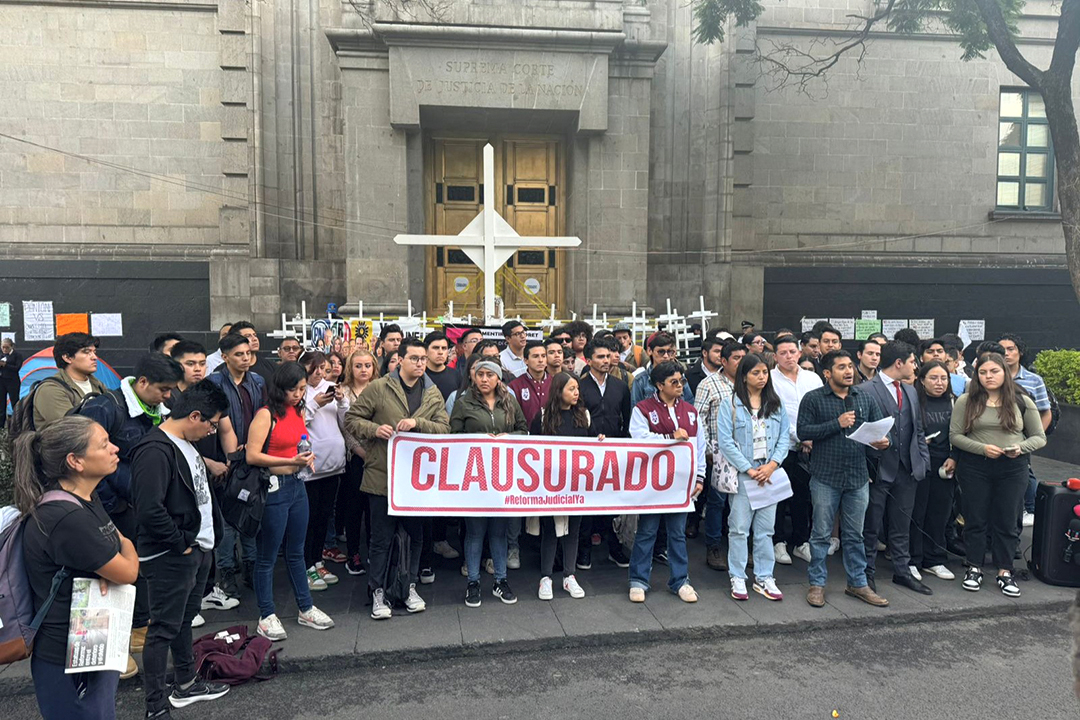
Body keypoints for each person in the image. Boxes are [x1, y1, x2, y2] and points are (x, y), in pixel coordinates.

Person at [16, 416, 140, 720]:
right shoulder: (64, 517)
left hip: (94, 639)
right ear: (75, 461)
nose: (115, 449)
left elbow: (118, 555)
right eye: (103, 445)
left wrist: (116, 557)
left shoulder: (85, 497)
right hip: (67, 653)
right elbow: (128, 572)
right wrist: (124, 551)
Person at [76, 352, 183, 677]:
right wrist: (113, 505)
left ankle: (135, 632)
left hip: (132, 509)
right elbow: (82, 460)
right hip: (102, 510)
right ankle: (102, 649)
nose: (168, 396)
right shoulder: (105, 407)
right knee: (101, 577)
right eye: (163, 389)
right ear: (143, 382)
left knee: (134, 573)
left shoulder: (155, 412)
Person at [130, 381, 232, 718]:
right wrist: (181, 543)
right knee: (162, 629)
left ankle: (187, 683)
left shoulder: (185, 443)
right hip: (171, 555)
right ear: (194, 415)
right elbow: (148, 509)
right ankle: (156, 706)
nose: (211, 431)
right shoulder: (155, 450)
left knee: (182, 622)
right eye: (212, 424)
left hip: (196, 550)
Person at [344, 338, 449, 619]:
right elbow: (352, 420)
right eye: (414, 358)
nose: (420, 363)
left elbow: (444, 428)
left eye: (423, 359)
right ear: (399, 359)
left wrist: (418, 424)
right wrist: (375, 429)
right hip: (382, 477)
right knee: (381, 538)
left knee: (415, 537)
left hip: (416, 480)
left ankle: (409, 586)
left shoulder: (432, 392)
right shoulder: (380, 387)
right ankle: (378, 591)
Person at [246, 362, 335, 640]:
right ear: (279, 388)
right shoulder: (265, 414)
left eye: (301, 389)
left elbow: (300, 442)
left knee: (296, 551)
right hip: (274, 487)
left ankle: (305, 607)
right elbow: (252, 456)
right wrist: (290, 461)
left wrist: (305, 459)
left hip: (297, 484)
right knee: (268, 556)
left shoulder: (296, 411)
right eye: (294, 390)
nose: (299, 394)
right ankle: (266, 613)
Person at [797, 350, 891, 609]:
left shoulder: (864, 398)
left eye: (850, 366)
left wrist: (883, 442)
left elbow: (879, 427)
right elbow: (802, 431)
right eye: (841, 367)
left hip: (858, 477)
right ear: (827, 373)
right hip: (826, 476)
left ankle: (858, 583)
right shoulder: (813, 399)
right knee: (820, 534)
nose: (849, 371)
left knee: (855, 535)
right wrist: (836, 423)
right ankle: (817, 584)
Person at [950, 352, 1046, 597]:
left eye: (994, 371)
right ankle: (974, 566)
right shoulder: (966, 400)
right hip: (975, 466)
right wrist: (981, 448)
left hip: (1013, 467)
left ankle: (1005, 570)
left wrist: (1020, 448)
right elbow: (956, 437)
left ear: (1004, 372)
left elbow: (1039, 437)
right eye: (982, 372)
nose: (988, 377)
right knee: (975, 518)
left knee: (1006, 519)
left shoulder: (1022, 399)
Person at [449, 359, 528, 607]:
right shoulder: (463, 402)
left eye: (489, 375)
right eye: (480, 374)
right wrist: (478, 439)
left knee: (498, 531)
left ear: (498, 378)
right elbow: (453, 436)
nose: (484, 379)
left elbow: (524, 430)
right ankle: (473, 582)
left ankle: (500, 580)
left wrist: (508, 437)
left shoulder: (510, 401)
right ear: (473, 377)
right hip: (475, 478)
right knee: (475, 531)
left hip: (503, 476)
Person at [627, 361, 705, 604]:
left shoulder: (691, 412)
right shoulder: (642, 408)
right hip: (653, 482)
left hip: (681, 482)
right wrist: (669, 437)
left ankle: (680, 580)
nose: (680, 385)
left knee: (677, 534)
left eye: (681, 380)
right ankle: (638, 580)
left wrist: (700, 477)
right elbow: (639, 438)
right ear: (659, 385)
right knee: (648, 530)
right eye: (674, 382)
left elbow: (699, 447)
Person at [858, 341, 932, 596]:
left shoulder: (910, 390)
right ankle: (865, 574)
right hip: (877, 469)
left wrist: (922, 462)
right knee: (871, 525)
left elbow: (917, 430)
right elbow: (856, 431)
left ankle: (903, 571)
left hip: (907, 469)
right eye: (912, 361)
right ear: (899, 363)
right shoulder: (865, 390)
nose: (915, 366)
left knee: (902, 525)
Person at [716, 353, 791, 601]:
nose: (761, 377)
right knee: (738, 528)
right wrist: (749, 469)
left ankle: (764, 576)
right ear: (744, 376)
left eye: (764, 372)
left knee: (766, 529)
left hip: (769, 474)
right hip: (744, 475)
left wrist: (772, 465)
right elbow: (725, 441)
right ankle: (737, 575)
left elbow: (783, 438)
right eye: (756, 373)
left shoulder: (775, 404)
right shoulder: (731, 404)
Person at [205, 332, 266, 595]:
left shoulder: (258, 381)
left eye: (248, 353)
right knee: (228, 517)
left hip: (253, 457)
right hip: (225, 459)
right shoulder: (214, 382)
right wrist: (231, 458)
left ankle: (251, 567)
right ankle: (227, 570)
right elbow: (219, 424)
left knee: (252, 511)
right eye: (239, 354)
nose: (245, 358)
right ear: (225, 356)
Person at [528, 372, 594, 600]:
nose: (576, 393)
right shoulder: (543, 416)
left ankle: (569, 576)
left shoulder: (584, 415)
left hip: (576, 485)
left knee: (573, 531)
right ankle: (545, 577)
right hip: (550, 487)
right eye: (571, 389)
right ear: (559, 391)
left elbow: (593, 446)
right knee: (550, 531)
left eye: (577, 389)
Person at [575, 336, 632, 569]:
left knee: (611, 501)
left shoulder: (620, 387)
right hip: (587, 453)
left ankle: (613, 547)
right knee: (587, 502)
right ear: (589, 360)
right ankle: (584, 548)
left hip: (614, 451)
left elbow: (627, 420)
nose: (607, 360)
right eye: (600, 357)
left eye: (608, 356)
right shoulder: (579, 386)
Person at [770, 335, 823, 565]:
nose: (789, 356)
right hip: (781, 447)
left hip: (811, 447)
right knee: (779, 496)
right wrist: (801, 436)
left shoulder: (812, 378)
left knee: (804, 496)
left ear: (800, 353)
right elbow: (774, 414)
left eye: (792, 352)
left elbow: (821, 408)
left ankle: (802, 541)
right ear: (776, 356)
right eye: (783, 353)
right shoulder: (770, 379)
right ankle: (778, 541)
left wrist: (812, 437)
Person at [693, 340, 746, 571]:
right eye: (736, 358)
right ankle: (713, 546)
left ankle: (740, 548)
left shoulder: (750, 382)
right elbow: (699, 418)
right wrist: (706, 451)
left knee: (743, 502)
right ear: (723, 361)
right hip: (719, 453)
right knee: (717, 501)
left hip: (747, 454)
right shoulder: (709, 384)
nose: (741, 362)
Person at [299, 352, 348, 591]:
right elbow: (297, 422)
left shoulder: (332, 386)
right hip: (311, 465)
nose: (319, 373)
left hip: (334, 463)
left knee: (324, 516)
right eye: (313, 368)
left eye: (322, 368)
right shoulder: (299, 390)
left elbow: (345, 421)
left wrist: (341, 401)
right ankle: (306, 565)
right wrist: (314, 404)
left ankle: (318, 561)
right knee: (309, 518)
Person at [998, 333, 1052, 527]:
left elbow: (1046, 412)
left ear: (1020, 352)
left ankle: (1030, 509)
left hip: (1022, 440)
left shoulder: (1033, 380)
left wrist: (1034, 438)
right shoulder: (991, 376)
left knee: (1024, 474)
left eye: (1011, 349)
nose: (1006, 353)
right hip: (994, 440)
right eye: (1002, 349)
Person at [911, 361, 958, 581]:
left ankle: (934, 559)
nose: (939, 383)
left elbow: (962, 432)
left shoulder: (954, 401)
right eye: (933, 378)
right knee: (916, 512)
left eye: (943, 378)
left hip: (944, 464)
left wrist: (954, 456)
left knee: (940, 513)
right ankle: (912, 559)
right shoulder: (913, 400)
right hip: (919, 462)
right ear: (921, 380)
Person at [338, 348, 378, 575]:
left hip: (378, 454)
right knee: (355, 507)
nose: (364, 370)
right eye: (358, 365)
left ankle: (374, 550)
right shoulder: (343, 391)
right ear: (350, 368)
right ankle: (353, 553)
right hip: (355, 457)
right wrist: (360, 451)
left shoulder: (381, 388)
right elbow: (346, 428)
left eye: (368, 365)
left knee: (375, 508)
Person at [33, 332, 107, 430]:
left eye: (94, 352)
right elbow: (71, 431)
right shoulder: (50, 389)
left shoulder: (97, 385)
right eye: (86, 352)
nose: (94, 357)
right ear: (67, 358)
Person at [630, 332, 694, 406]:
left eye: (670, 352)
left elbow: (690, 407)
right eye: (661, 352)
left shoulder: (680, 377)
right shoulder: (640, 380)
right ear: (649, 351)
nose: (666, 356)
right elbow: (636, 411)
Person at [508, 340, 551, 427]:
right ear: (526, 360)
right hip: (525, 437)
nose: (540, 360)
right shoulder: (514, 386)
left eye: (543, 356)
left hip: (552, 436)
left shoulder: (556, 383)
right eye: (535, 356)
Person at [424, 331, 460, 401]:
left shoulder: (457, 376)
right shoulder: (419, 375)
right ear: (426, 351)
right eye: (436, 348)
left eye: (444, 348)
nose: (440, 352)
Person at [1, 337, 24, 429]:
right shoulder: (1, 354)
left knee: (15, 402)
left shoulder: (17, 355)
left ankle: (17, 424)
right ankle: (1, 426)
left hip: (12, 381)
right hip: (2, 381)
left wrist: (5, 365)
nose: (4, 349)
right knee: (1, 404)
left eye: (7, 347)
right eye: (3, 347)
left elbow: (17, 368)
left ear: (11, 347)